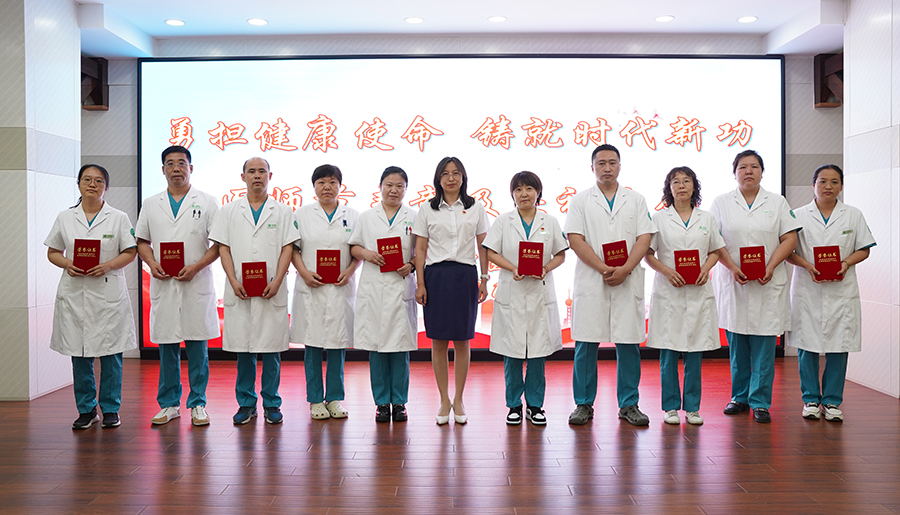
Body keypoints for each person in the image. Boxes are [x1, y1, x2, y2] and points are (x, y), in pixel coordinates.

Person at [564, 144, 656, 426]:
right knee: (586, 344)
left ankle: (629, 404)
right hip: (593, 279)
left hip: (627, 280)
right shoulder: (580, 200)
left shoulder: (636, 199)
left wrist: (626, 269)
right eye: (601, 163)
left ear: (620, 166)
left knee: (628, 343)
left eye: (612, 162)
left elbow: (644, 237)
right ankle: (583, 403)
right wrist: (604, 268)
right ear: (592, 167)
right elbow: (575, 239)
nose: (607, 168)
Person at [711, 150, 800, 423]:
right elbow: (714, 240)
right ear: (734, 173)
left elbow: (789, 239)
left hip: (767, 283)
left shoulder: (777, 201)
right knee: (737, 345)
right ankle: (739, 397)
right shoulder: (721, 202)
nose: (748, 171)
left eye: (754, 167)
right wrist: (732, 267)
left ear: (762, 172)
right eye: (742, 167)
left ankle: (760, 402)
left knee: (764, 347)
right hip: (734, 281)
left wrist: (771, 266)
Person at [45, 164, 137, 429]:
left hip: (107, 292)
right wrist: (67, 263)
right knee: (80, 353)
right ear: (79, 184)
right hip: (75, 293)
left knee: (111, 354)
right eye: (87, 180)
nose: (92, 185)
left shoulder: (118, 217)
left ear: (106, 187)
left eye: (98, 181)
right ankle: (86, 410)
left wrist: (108, 265)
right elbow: (53, 251)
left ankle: (110, 409)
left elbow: (130, 251)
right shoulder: (65, 217)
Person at [209, 157, 299, 425]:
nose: (257, 175)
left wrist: (278, 280)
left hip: (272, 289)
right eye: (252, 171)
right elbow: (223, 248)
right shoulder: (228, 211)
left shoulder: (283, 211)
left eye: (262, 171)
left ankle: (272, 403)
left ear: (270, 176)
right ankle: (246, 404)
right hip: (241, 290)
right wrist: (233, 280)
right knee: (244, 351)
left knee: (271, 351)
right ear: (243, 177)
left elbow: (288, 248)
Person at [135, 145, 219, 427]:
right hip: (165, 284)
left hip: (195, 283)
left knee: (198, 348)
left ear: (191, 168)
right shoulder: (151, 203)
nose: (176, 169)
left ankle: (198, 403)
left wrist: (196, 266)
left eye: (181, 163)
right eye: (170, 164)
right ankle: (169, 404)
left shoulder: (207, 202)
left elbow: (218, 244)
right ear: (163, 170)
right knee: (167, 347)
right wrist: (151, 263)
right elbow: (142, 241)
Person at [786, 164, 875, 422]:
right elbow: (788, 251)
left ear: (841, 186)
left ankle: (833, 401)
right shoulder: (797, 215)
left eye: (834, 182)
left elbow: (864, 249)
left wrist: (846, 263)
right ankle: (811, 399)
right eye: (823, 181)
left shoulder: (853, 215)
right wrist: (807, 265)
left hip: (841, 290)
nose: (828, 186)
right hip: (808, 288)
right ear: (813, 185)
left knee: (839, 345)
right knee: (807, 345)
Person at [483, 171, 567, 426]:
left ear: (538, 193)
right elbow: (490, 251)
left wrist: (546, 268)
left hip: (539, 291)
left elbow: (560, 254)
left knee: (538, 353)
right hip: (513, 290)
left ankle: (535, 405)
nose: (524, 194)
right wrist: (512, 268)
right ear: (512, 194)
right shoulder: (503, 221)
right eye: (518, 189)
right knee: (512, 354)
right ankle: (513, 405)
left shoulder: (549, 221)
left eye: (529, 189)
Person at [644, 167, 724, 426]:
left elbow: (715, 250)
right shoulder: (658, 218)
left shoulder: (707, 218)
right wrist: (667, 272)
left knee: (695, 353)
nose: (681, 186)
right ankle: (670, 407)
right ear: (669, 188)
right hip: (670, 291)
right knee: (668, 353)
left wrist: (705, 268)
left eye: (686, 181)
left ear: (694, 186)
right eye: (675, 182)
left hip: (698, 290)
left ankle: (692, 408)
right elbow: (648, 254)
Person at [413, 156, 490, 425]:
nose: (451, 178)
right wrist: (420, 283)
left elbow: (483, 246)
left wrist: (484, 278)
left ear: (463, 178)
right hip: (436, 276)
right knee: (438, 341)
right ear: (438, 179)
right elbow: (420, 249)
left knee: (462, 340)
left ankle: (459, 399)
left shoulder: (476, 207)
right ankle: (444, 400)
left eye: (456, 173)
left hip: (465, 275)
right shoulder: (427, 209)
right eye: (445, 173)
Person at [348, 166, 417, 423]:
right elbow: (354, 247)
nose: (394, 190)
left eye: (400, 186)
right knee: (376, 350)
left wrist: (410, 265)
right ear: (380, 187)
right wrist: (367, 254)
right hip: (374, 288)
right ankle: (381, 404)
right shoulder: (366, 217)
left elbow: (422, 251)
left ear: (406, 190)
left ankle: (399, 402)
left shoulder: (414, 217)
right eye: (389, 185)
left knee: (400, 349)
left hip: (400, 287)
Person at [291, 164, 360, 420]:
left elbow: (357, 250)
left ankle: (334, 398)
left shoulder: (353, 215)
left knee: (337, 345)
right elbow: (293, 249)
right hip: (312, 288)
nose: (327, 187)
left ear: (340, 186)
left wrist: (350, 271)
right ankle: (315, 400)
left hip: (340, 288)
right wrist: (304, 273)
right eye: (321, 182)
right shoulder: (301, 214)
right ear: (314, 187)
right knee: (312, 344)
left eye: (332, 182)